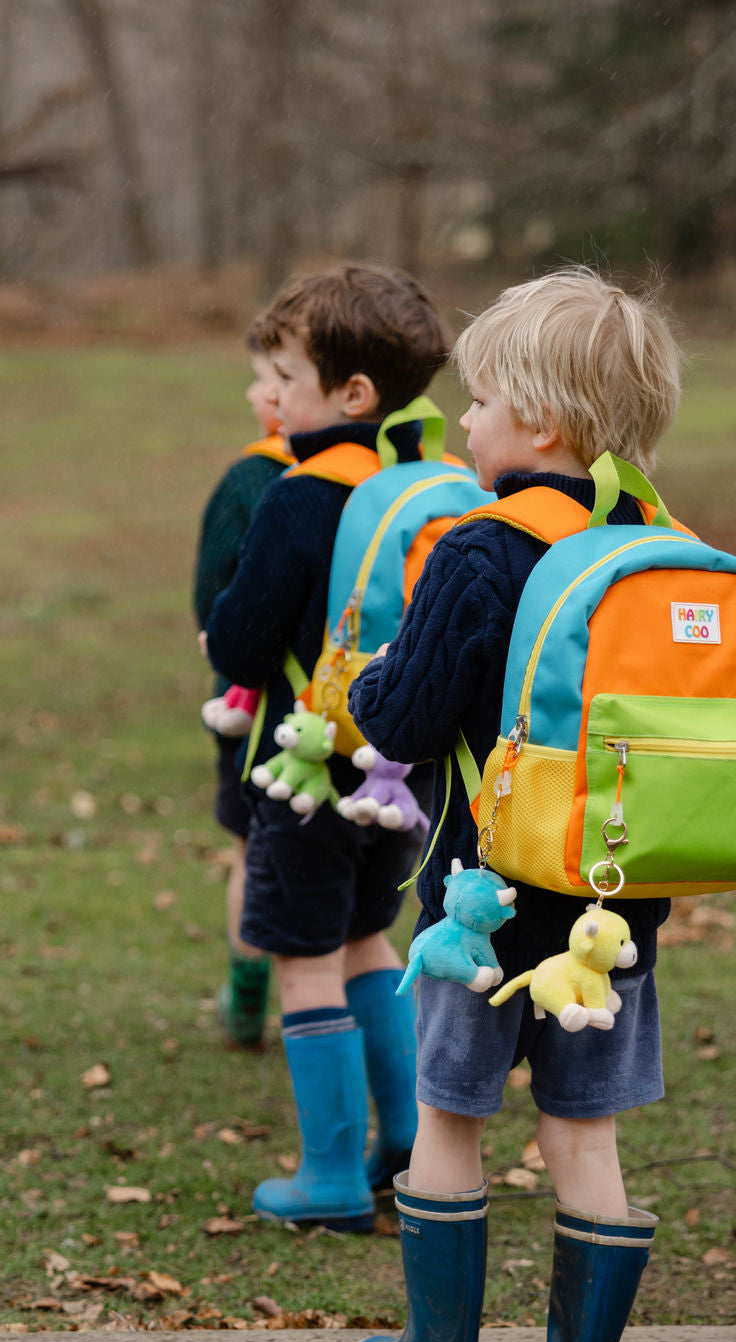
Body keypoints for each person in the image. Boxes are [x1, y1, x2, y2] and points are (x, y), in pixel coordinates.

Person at [346, 268, 683, 1342]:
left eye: (481, 398)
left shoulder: (481, 548)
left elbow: (402, 717)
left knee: (450, 1120)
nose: (466, 419)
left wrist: (380, 670)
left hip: (477, 916)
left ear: (538, 422)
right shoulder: (650, 544)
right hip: (612, 919)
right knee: (585, 1140)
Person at [201, 266, 451, 1232]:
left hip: (302, 771)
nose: (277, 401)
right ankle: (405, 1142)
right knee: (366, 942)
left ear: (351, 393)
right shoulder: (427, 482)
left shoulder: (303, 496)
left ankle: (331, 1176)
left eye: (290, 379)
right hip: (396, 775)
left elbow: (240, 643)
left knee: (304, 959)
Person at [193, 324, 293, 1049]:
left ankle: (247, 998)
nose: (256, 393)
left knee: (250, 850)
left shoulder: (250, 480)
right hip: (352, 715)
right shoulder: (392, 476)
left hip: (252, 706)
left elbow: (211, 596)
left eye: (270, 380)